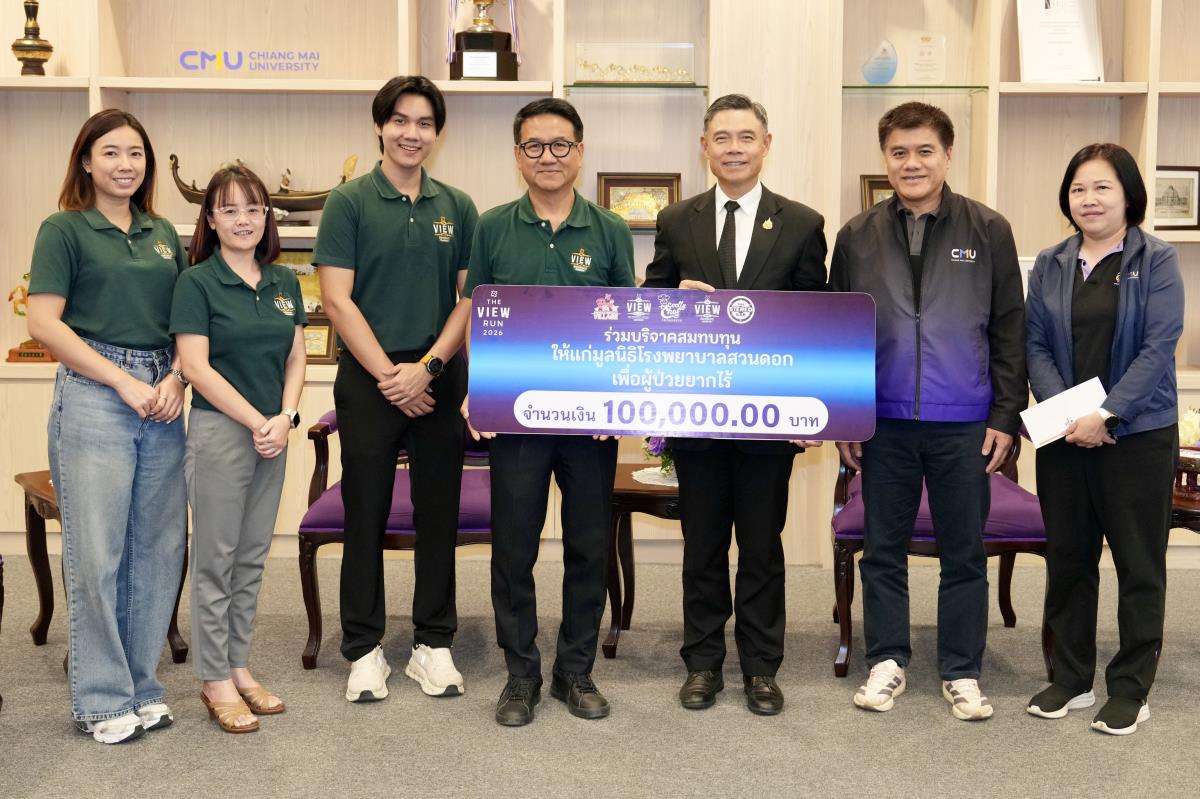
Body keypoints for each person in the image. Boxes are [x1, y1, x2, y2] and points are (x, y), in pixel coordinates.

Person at [828, 101, 1026, 721]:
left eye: (924, 151)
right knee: (882, 548)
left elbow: (1009, 327)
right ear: (884, 158)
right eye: (898, 152)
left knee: (964, 552)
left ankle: (962, 670)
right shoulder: (856, 235)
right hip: (882, 421)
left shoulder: (988, 229)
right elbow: (838, 334)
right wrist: (845, 417)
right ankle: (887, 660)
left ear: (947, 155)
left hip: (964, 421)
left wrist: (1005, 414)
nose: (911, 163)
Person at [642, 93, 828, 716]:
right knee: (702, 547)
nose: (734, 148)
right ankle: (702, 664)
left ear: (766, 145)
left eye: (746, 137)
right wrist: (677, 303)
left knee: (761, 547)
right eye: (721, 138)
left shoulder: (801, 223)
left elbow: (817, 323)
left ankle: (760, 668)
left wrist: (814, 410)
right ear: (705, 147)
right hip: (696, 417)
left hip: (768, 420)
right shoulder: (677, 220)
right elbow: (651, 309)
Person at [462, 98, 635, 727]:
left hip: (590, 421)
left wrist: (618, 398)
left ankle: (575, 670)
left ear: (580, 152)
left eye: (560, 145)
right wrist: (479, 387)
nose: (548, 157)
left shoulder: (610, 231)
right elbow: (478, 315)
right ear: (518, 156)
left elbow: (626, 325)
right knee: (514, 549)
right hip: (516, 417)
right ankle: (521, 674)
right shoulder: (492, 227)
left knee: (589, 547)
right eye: (534, 146)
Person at [27, 109, 189, 744]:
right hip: (96, 392)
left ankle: (141, 686)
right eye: (112, 153)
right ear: (87, 162)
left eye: (136, 153)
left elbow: (188, 318)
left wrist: (177, 376)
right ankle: (100, 699)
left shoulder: (162, 232)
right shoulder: (64, 228)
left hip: (163, 394)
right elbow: (44, 322)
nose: (126, 164)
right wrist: (122, 381)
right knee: (97, 553)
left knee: (158, 550)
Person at [315, 75, 478, 703]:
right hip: (369, 380)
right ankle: (363, 648)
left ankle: (434, 643)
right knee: (366, 512)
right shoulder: (349, 202)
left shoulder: (457, 205)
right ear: (380, 126)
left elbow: (468, 299)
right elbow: (337, 298)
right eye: (401, 121)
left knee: (439, 513)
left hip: (438, 377)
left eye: (425, 123)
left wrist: (427, 369)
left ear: (438, 133)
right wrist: (391, 375)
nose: (413, 133)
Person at [1025, 143, 1182, 736]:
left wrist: (1106, 414)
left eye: (1101, 188)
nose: (1088, 200)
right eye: (1078, 189)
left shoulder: (1157, 259)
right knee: (1069, 557)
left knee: (1139, 563)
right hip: (1065, 436)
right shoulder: (1052, 261)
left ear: (1128, 195)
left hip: (1137, 436)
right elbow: (1035, 343)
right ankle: (1071, 677)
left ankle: (1131, 688)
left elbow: (1158, 347)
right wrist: (1071, 416)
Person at [171, 165, 307, 733]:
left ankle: (237, 664)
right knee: (216, 558)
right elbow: (196, 367)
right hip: (222, 433)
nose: (243, 219)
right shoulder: (196, 283)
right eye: (228, 210)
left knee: (251, 556)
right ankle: (213, 679)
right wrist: (258, 420)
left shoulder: (285, 282)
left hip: (272, 434)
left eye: (253, 208)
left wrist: (286, 418)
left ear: (266, 216)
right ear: (210, 219)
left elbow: (296, 356)